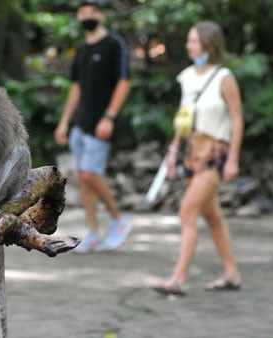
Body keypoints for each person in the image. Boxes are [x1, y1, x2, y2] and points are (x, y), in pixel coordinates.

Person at [153, 21, 243, 296]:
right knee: (213, 217)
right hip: (191, 151)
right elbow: (183, 119)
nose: (189, 46)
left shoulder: (224, 77)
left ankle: (178, 279)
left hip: (215, 152)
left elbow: (237, 119)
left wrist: (233, 159)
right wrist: (172, 152)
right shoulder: (188, 77)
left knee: (187, 211)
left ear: (208, 44)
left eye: (194, 41)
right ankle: (232, 273)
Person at [55, 0, 132, 253]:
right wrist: (65, 122)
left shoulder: (114, 44)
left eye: (92, 12)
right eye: (82, 12)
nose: (87, 16)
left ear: (101, 16)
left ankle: (118, 220)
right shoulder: (81, 49)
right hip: (81, 124)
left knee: (90, 174)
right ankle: (93, 233)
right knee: (84, 180)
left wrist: (109, 117)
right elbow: (76, 87)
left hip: (102, 123)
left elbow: (123, 83)